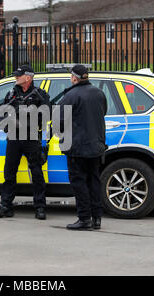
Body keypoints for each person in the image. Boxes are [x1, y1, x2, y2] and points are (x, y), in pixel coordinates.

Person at [0, 65, 50, 220]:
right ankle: (6, 206)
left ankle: (40, 207)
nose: (16, 78)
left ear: (28, 77)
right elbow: (2, 112)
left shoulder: (39, 95)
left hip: (31, 137)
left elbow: (46, 114)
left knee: (37, 173)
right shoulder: (11, 94)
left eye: (19, 75)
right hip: (13, 137)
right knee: (9, 172)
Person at [58, 65, 107, 230]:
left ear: (74, 78)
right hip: (96, 145)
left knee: (79, 183)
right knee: (94, 181)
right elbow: (103, 113)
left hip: (77, 147)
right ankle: (97, 218)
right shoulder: (99, 93)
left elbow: (60, 122)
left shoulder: (70, 96)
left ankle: (84, 218)